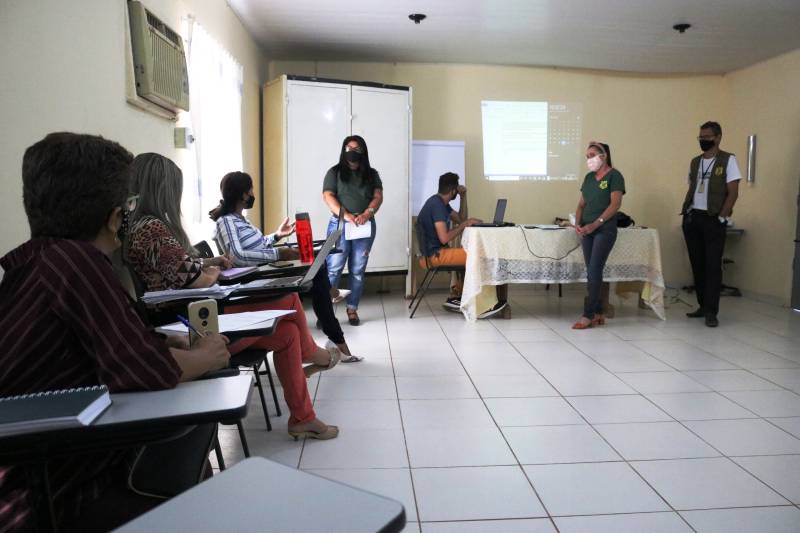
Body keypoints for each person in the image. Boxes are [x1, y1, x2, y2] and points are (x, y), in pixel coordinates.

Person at [0, 133, 230, 532]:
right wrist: (205, 355)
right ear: (114, 216)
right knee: (193, 433)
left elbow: (102, 343)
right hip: (52, 496)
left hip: (33, 470)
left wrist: (164, 341)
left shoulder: (36, 260)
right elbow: (144, 371)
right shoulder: (77, 262)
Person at [126, 154, 342, 441]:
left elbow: (180, 269)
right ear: (163, 188)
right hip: (194, 324)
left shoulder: (142, 227)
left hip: (198, 312)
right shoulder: (152, 228)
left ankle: (303, 418)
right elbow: (196, 280)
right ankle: (313, 355)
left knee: (289, 331)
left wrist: (208, 263)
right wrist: (210, 271)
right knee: (289, 301)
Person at [211, 170, 363, 362]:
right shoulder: (226, 222)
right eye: (250, 190)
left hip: (262, 269)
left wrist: (276, 236)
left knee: (318, 264)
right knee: (316, 274)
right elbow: (237, 256)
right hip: (254, 280)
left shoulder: (241, 220)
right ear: (243, 194)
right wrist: (278, 253)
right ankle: (336, 333)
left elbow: (256, 246)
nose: (252, 194)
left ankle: (333, 319)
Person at [416, 172, 508, 318]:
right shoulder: (437, 206)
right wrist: (464, 224)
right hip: (435, 256)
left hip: (434, 254)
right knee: (481, 256)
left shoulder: (440, 203)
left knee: (471, 254)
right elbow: (445, 237)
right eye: (457, 190)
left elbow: (461, 219)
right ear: (453, 190)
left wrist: (463, 197)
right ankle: (484, 305)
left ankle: (462, 297)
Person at [680, 121, 741, 327]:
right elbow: (691, 187)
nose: (703, 141)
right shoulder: (695, 162)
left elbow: (733, 192)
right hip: (693, 217)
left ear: (718, 137)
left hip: (713, 218)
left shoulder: (728, 160)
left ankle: (712, 312)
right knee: (697, 265)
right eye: (701, 138)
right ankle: (702, 306)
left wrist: (722, 217)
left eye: (707, 137)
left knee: (713, 265)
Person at [322, 135, 383, 326]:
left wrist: (367, 212)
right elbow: (328, 196)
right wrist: (346, 215)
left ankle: (352, 309)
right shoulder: (334, 172)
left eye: (356, 149)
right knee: (333, 269)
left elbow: (378, 196)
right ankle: (326, 313)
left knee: (357, 270)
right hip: (340, 224)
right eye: (348, 148)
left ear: (363, 152)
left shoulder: (372, 174)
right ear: (343, 150)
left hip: (364, 226)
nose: (352, 152)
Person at [573, 142, 625, 329]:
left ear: (603, 156)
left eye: (592, 155)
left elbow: (615, 205)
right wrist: (578, 224)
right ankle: (598, 313)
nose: (589, 159)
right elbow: (581, 205)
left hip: (604, 230)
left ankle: (588, 315)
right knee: (592, 272)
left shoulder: (615, 176)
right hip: (587, 231)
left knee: (595, 270)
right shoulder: (588, 178)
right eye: (587, 156)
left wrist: (595, 224)